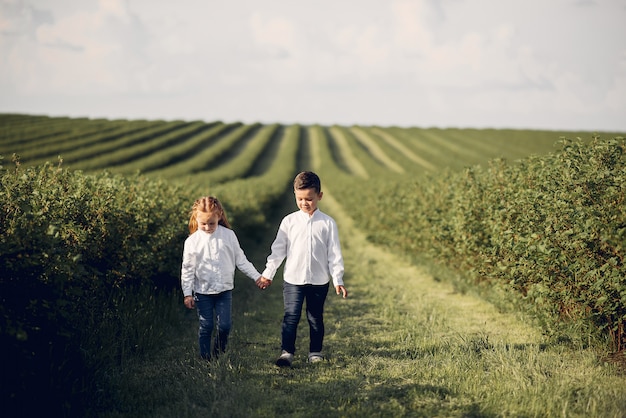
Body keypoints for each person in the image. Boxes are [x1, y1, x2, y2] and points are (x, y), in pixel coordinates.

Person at [257, 171, 348, 367]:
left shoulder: (328, 223)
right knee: (291, 316)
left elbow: (334, 254)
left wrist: (337, 279)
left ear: (319, 196)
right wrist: (268, 274)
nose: (305, 203)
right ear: (295, 195)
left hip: (319, 280)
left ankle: (315, 352)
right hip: (293, 279)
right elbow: (278, 251)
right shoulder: (289, 222)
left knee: (315, 318)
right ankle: (287, 352)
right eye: (300, 199)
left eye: (309, 199)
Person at [181, 196, 264, 360]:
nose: (207, 227)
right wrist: (187, 293)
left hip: (224, 290)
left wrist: (257, 276)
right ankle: (205, 359)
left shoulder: (229, 236)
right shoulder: (192, 242)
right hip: (202, 291)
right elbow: (188, 269)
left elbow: (241, 260)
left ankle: (219, 353)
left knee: (225, 326)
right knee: (206, 325)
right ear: (196, 218)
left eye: (211, 223)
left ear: (219, 215)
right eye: (203, 223)